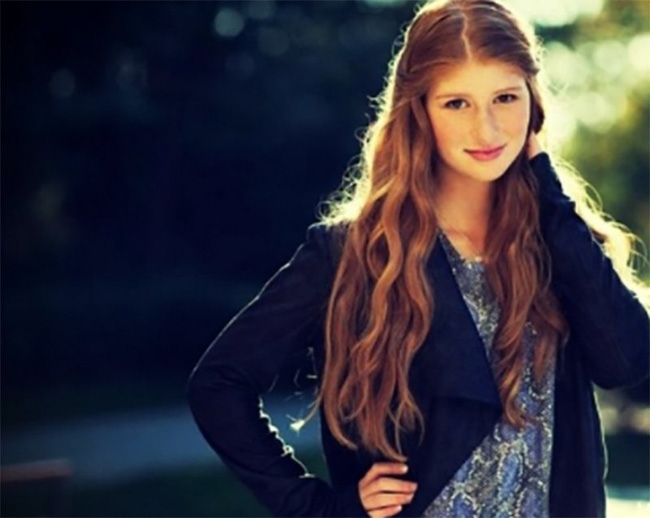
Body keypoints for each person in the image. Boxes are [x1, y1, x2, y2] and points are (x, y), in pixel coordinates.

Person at [187, 0, 650, 516]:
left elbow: (627, 362)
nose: (487, 130)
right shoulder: (354, 253)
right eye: (457, 103)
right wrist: (320, 508)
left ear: (533, 102)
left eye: (505, 97)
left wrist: (550, 196)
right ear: (420, 111)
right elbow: (218, 384)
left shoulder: (560, 243)